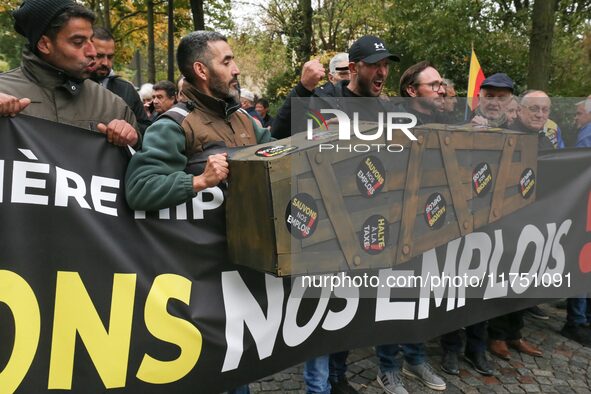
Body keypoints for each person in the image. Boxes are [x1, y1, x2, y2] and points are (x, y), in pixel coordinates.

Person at [125, 30, 272, 394]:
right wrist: (199, 182)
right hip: (200, 281)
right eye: (227, 61)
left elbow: (275, 158)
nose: (237, 69)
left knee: (240, 371)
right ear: (201, 70)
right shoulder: (172, 125)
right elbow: (139, 188)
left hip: (244, 273)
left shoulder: (245, 121)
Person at [0, 0, 139, 148]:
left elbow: (142, 163)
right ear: (44, 44)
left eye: (91, 40)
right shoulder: (3, 90)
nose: (92, 52)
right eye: (78, 42)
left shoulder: (112, 105)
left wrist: (133, 140)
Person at [90, 27, 151, 136]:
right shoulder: (73, 86)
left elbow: (146, 129)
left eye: (110, 57)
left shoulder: (127, 89)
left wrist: (129, 132)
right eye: (99, 56)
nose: (105, 62)